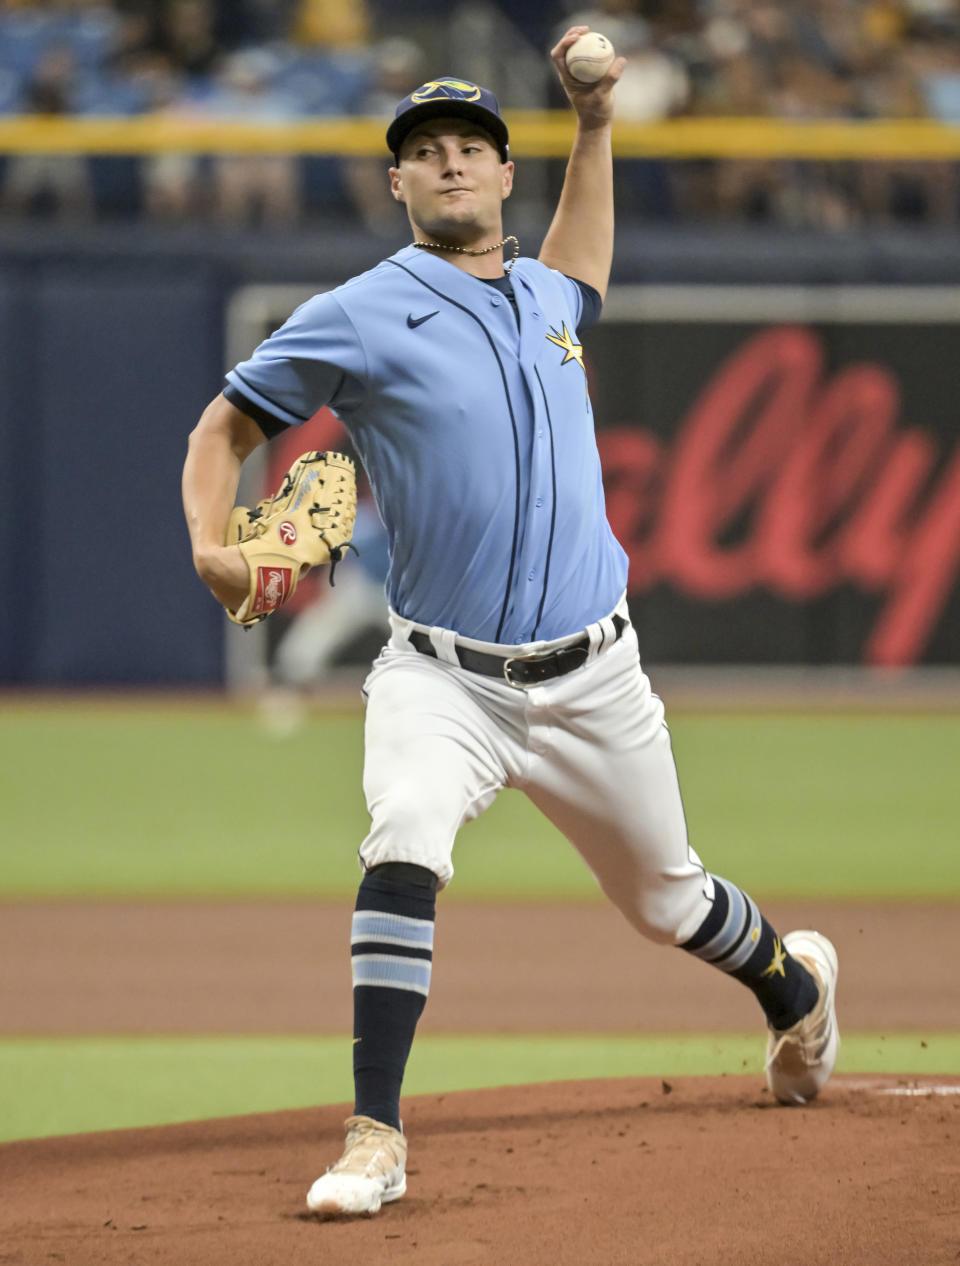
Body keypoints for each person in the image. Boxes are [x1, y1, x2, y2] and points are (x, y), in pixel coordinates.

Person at [181, 26, 840, 1221]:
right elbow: (221, 429)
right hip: (445, 680)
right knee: (406, 834)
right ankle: (375, 1134)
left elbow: (585, 252)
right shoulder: (358, 313)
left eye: (468, 148)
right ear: (397, 183)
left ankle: (796, 989)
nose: (446, 164)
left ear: (501, 175)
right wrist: (208, 539)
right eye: (423, 151)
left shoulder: (547, 295)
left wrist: (593, 122)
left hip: (596, 673)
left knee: (669, 902)